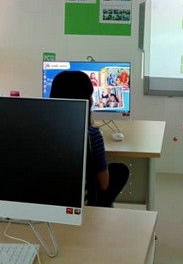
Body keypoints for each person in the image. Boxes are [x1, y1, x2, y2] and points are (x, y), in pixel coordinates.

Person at [49, 70, 129, 207]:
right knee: (121, 170)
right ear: (87, 99)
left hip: (50, 201)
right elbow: (104, 184)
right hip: (83, 204)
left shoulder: (42, 132)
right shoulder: (92, 135)